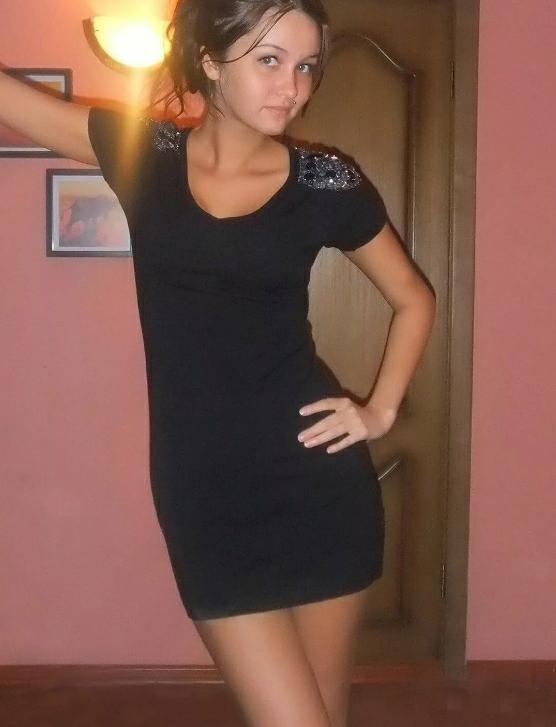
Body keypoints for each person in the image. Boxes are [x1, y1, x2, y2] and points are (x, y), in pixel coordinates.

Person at [0, 1, 436, 725]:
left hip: (318, 489)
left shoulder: (325, 182)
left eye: (306, 66)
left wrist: (379, 410)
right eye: (269, 60)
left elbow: (414, 298)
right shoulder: (143, 157)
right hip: (205, 497)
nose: (293, 86)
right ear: (209, 60)